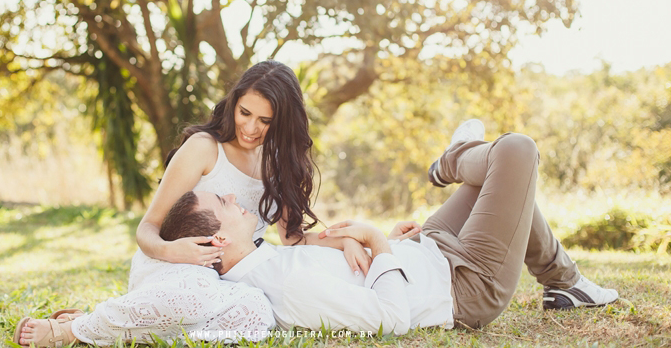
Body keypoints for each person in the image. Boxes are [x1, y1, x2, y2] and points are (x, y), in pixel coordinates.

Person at [15, 60, 370, 347]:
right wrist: (172, 251)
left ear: (282, 122)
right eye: (245, 113)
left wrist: (346, 240)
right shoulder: (204, 148)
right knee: (196, 294)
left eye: (265, 121)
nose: (250, 128)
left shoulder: (278, 163)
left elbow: (293, 239)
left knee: (258, 311)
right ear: (234, 103)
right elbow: (147, 228)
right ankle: (71, 330)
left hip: (231, 283)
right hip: (173, 270)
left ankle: (130, 329)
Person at [158, 120, 619, 334]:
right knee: (516, 152)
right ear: (220, 239)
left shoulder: (267, 260)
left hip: (428, 251)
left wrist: (390, 243)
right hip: (464, 286)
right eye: (222, 202)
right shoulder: (285, 285)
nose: (233, 197)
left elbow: (350, 269)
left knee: (507, 185)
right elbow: (391, 319)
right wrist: (377, 241)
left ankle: (566, 284)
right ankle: (454, 158)